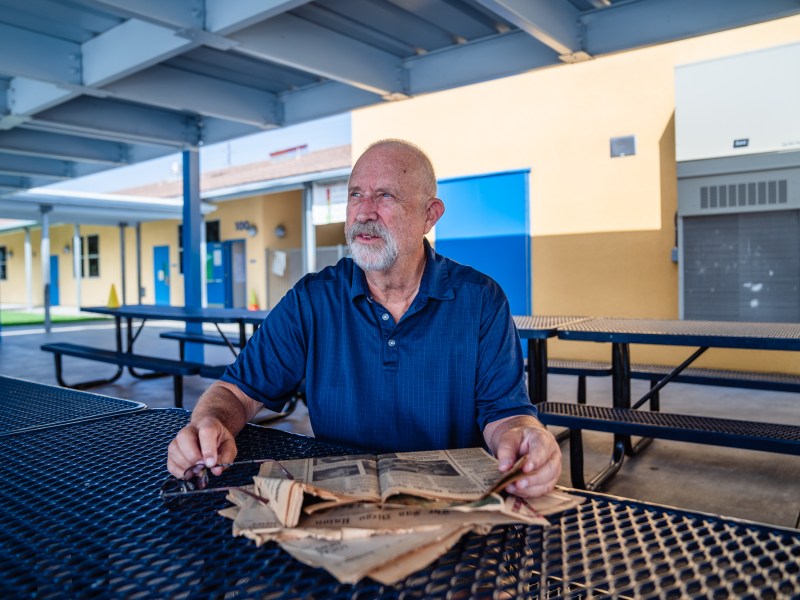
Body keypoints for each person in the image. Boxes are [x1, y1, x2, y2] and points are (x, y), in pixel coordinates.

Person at [168, 139, 561, 498]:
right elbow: (237, 392)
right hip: (336, 503)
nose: (364, 211)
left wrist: (526, 437)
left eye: (385, 195)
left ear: (430, 215)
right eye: (356, 194)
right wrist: (208, 425)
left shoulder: (481, 300)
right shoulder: (313, 299)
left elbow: (505, 414)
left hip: (452, 506)